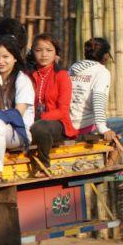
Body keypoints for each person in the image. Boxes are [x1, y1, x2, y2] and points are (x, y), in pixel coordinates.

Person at [0, 35, 35, 184]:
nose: (0, 61)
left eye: (6, 56)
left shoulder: (22, 80)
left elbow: (17, 113)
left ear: (15, 58)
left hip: (18, 131)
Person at [28, 34, 77, 173]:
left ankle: (44, 165)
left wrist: (39, 118)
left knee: (40, 128)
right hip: (31, 120)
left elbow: (62, 111)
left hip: (57, 123)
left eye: (49, 50)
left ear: (55, 53)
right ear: (32, 52)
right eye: (39, 50)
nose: (44, 54)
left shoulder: (62, 75)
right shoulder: (28, 75)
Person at [69, 37, 115, 140]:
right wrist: (103, 128)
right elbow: (98, 99)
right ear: (105, 55)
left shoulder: (73, 68)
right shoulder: (101, 72)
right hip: (86, 127)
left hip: (67, 124)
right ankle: (111, 157)